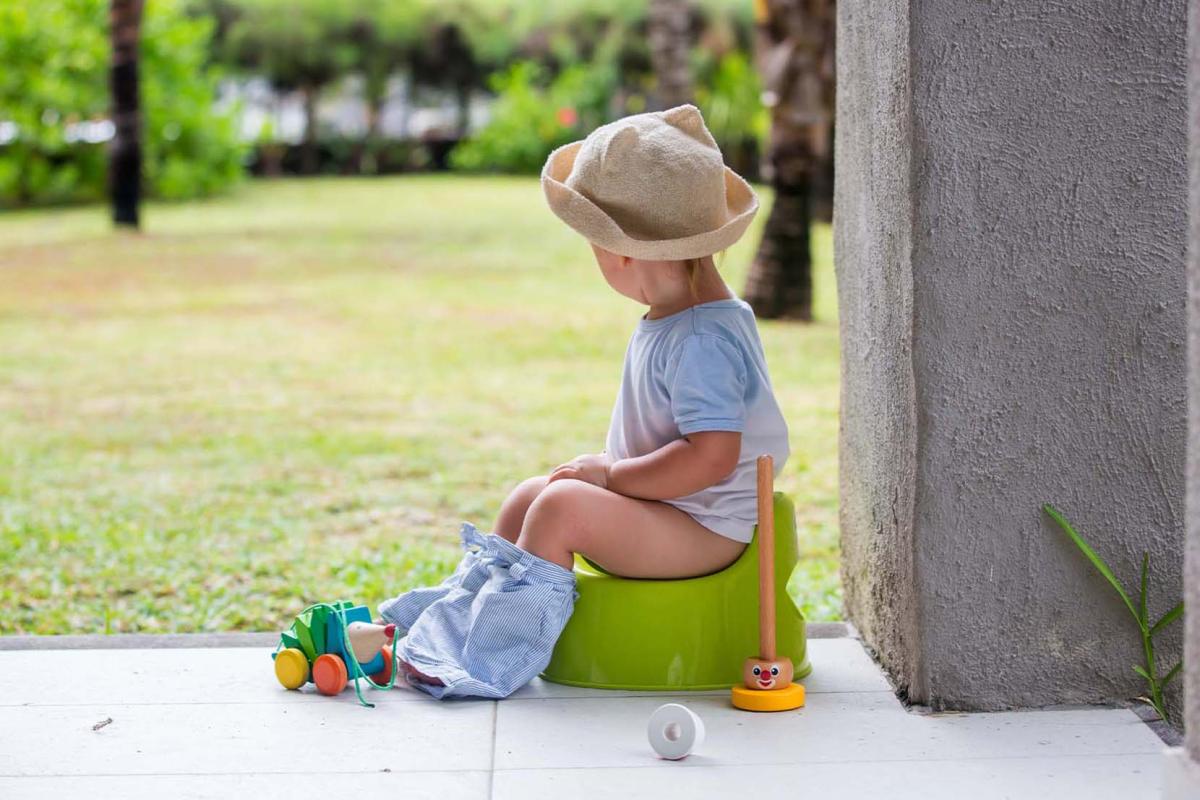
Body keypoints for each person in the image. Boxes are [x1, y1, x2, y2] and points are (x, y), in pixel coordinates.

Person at [377, 104, 790, 699]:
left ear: (624, 253)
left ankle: (488, 660)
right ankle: (458, 620)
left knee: (562, 508)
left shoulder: (700, 337)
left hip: (706, 529)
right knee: (532, 494)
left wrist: (614, 476)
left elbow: (712, 458)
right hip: (675, 510)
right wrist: (613, 475)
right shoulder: (684, 317)